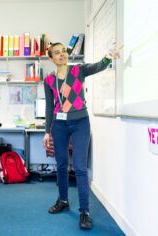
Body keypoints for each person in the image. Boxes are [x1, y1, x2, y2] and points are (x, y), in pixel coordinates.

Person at [43, 42, 120, 229]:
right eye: (57, 53)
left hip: (80, 123)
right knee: (61, 164)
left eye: (63, 51)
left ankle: (84, 212)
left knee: (80, 167)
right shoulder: (48, 80)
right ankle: (63, 200)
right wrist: (47, 131)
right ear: (51, 58)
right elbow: (49, 107)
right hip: (59, 125)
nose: (62, 55)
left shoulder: (78, 71)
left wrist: (109, 56)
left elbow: (98, 66)